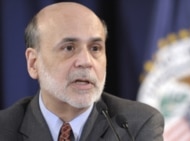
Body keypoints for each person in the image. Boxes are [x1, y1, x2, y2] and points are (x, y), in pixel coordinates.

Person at [0, 2, 164, 141]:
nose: (86, 62)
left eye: (95, 48)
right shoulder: (5, 128)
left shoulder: (136, 125)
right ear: (34, 63)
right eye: (69, 48)